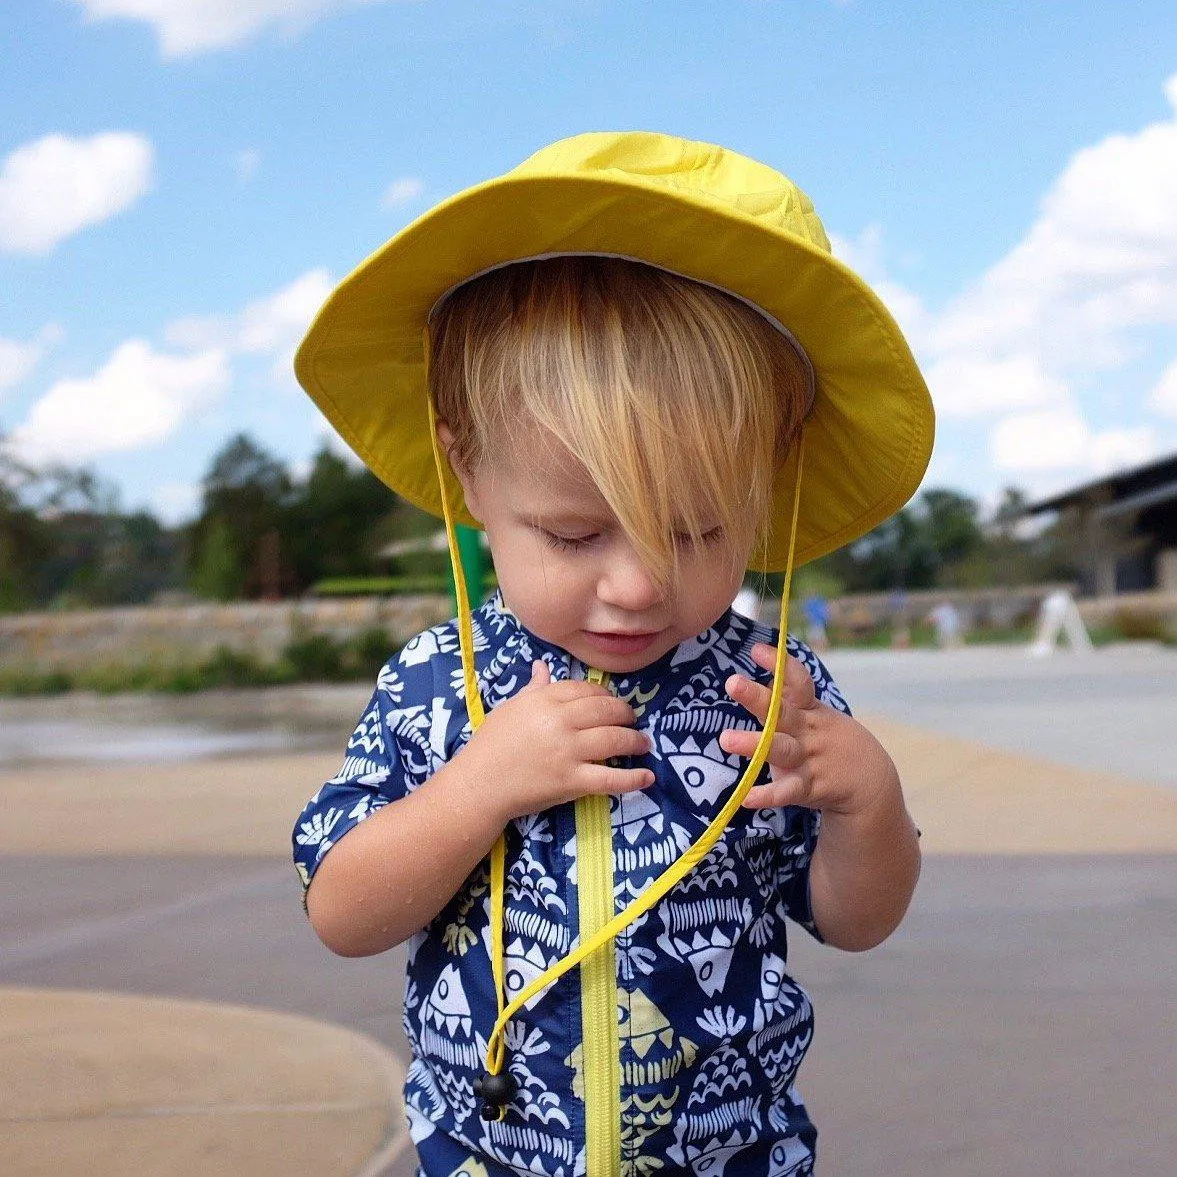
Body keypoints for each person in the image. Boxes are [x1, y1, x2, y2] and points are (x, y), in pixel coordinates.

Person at [292, 132, 931, 1177]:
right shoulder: (432, 690)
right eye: (573, 534)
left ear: (769, 482)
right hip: (487, 1157)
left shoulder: (766, 694)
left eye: (695, 532)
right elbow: (342, 913)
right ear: (468, 471)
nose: (636, 585)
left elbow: (851, 922)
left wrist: (868, 802)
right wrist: (476, 789)